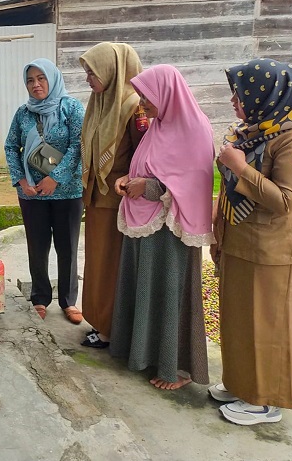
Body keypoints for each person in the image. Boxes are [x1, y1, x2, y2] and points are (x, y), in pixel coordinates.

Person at [211, 58, 292, 424]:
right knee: (242, 319)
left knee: (271, 325)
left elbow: (287, 200)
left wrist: (240, 168)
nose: (234, 101)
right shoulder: (257, 131)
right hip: (244, 240)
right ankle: (245, 384)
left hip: (275, 247)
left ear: (268, 95)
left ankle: (266, 400)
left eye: (240, 94)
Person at [109, 64, 213, 390]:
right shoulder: (158, 127)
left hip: (171, 231)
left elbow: (193, 184)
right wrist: (128, 180)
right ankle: (144, 354)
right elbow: (146, 168)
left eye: (146, 96)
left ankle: (177, 368)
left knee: (171, 294)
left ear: (166, 93)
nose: (142, 104)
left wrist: (149, 188)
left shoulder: (195, 129)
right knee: (144, 289)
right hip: (145, 225)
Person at [4, 58, 85, 323]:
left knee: (68, 247)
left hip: (68, 192)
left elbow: (78, 146)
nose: (36, 84)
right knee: (37, 247)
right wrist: (20, 181)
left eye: (41, 78)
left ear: (52, 78)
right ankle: (40, 297)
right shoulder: (23, 113)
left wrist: (56, 179)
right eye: (30, 80)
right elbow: (10, 146)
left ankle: (68, 300)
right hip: (32, 194)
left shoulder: (71, 108)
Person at [78, 42, 144, 348]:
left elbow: (144, 158)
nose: (88, 78)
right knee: (97, 263)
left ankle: (111, 328)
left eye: (92, 72)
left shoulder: (134, 106)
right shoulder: (100, 103)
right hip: (96, 199)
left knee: (111, 266)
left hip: (119, 202)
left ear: (111, 71)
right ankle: (99, 319)